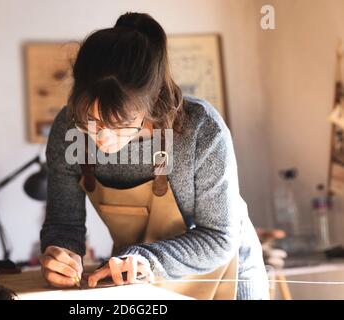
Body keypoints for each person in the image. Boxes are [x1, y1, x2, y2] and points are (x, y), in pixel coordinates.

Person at [39, 12, 269, 299]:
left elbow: (219, 238)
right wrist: (59, 253)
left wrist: (145, 259)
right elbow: (64, 225)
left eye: (118, 123)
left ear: (151, 100)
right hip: (137, 276)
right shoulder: (66, 129)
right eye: (88, 120)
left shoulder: (200, 130)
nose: (101, 138)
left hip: (226, 273)